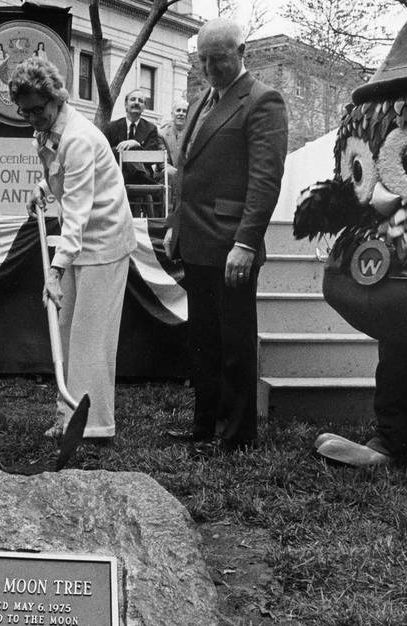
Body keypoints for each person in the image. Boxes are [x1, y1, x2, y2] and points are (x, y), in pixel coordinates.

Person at [163, 18, 288, 453]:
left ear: (242, 52)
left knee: (234, 343)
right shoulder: (201, 101)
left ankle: (237, 435)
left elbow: (265, 181)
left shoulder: (262, 102)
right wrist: (175, 228)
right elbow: (190, 171)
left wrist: (246, 243)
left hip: (232, 244)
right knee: (202, 341)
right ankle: (204, 423)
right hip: (196, 241)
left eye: (218, 59)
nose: (210, 68)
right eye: (203, 61)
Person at [9, 56, 136, 442]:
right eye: (25, 111)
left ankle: (96, 428)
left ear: (56, 99)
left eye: (38, 109)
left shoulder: (79, 138)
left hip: (106, 243)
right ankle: (68, 416)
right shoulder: (48, 131)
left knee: (91, 339)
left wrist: (54, 270)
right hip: (81, 240)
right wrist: (43, 190)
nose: (33, 118)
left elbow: (78, 212)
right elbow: (63, 180)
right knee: (67, 334)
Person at [103, 89, 163, 217]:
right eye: (133, 99)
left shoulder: (151, 128)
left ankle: (140, 175)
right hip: (117, 173)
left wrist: (136, 144)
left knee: (132, 151)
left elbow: (153, 155)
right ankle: (142, 177)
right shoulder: (111, 127)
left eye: (140, 101)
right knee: (120, 154)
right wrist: (124, 151)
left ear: (144, 107)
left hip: (141, 172)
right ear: (125, 104)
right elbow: (104, 152)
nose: (136, 103)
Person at [159, 98, 188, 169]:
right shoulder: (162, 134)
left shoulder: (193, 133)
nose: (181, 113)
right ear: (172, 114)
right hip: (168, 172)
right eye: (178, 110)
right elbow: (163, 162)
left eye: (184, 111)